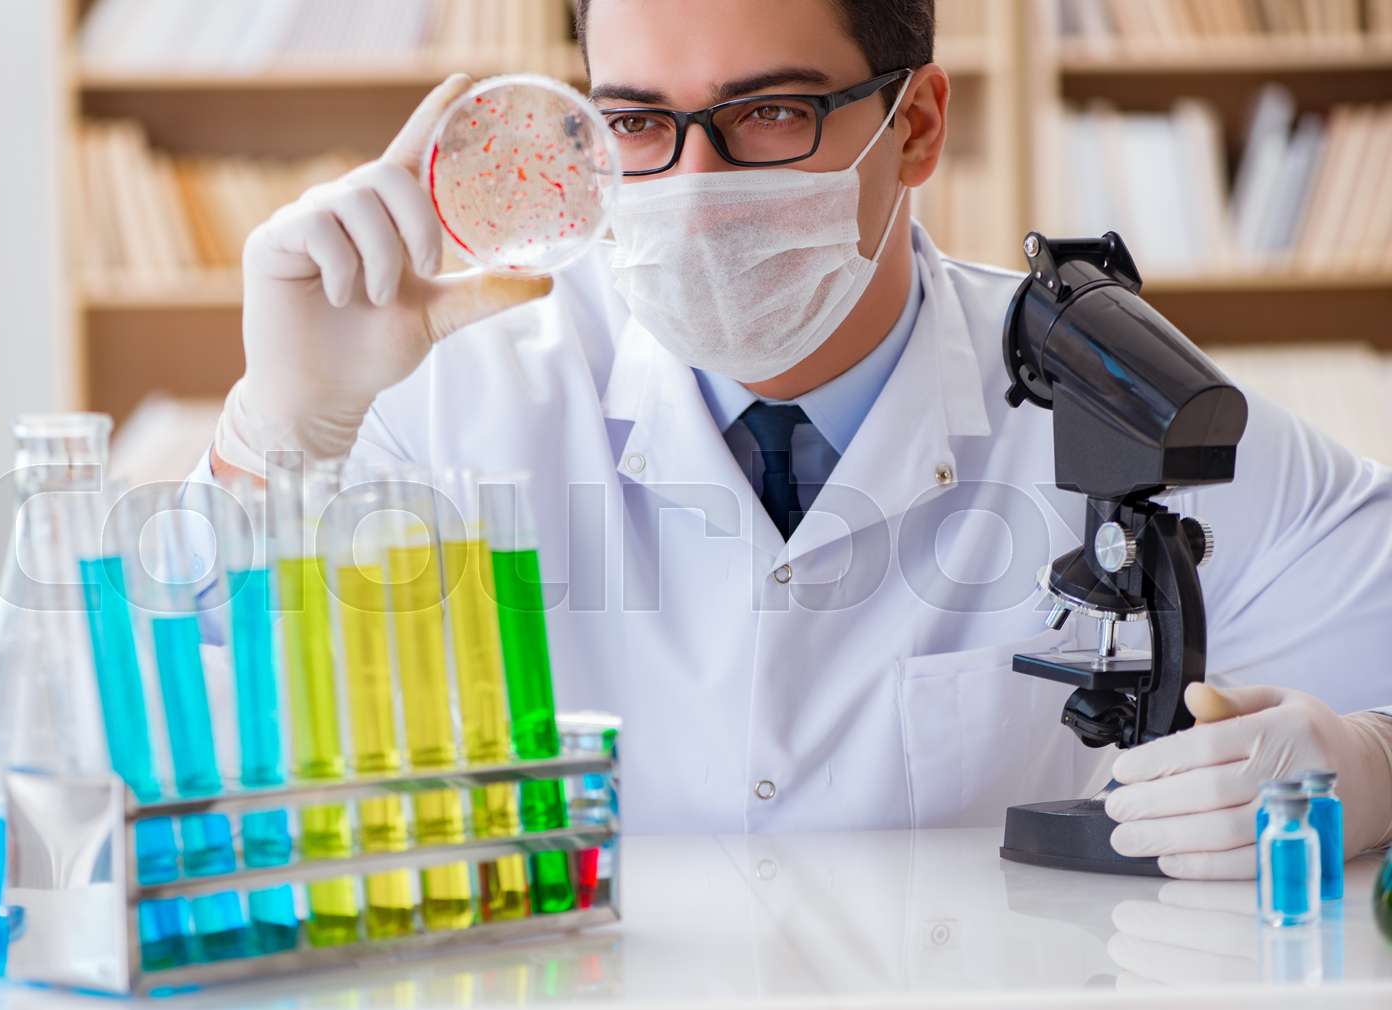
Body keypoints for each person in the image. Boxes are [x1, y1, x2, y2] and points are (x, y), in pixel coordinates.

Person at [200, 0, 1392, 878]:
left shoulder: (1111, 393)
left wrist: (1370, 766)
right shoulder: (451, 415)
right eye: (634, 122)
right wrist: (279, 433)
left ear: (916, 125)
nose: (694, 180)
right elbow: (191, 794)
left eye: (770, 112)